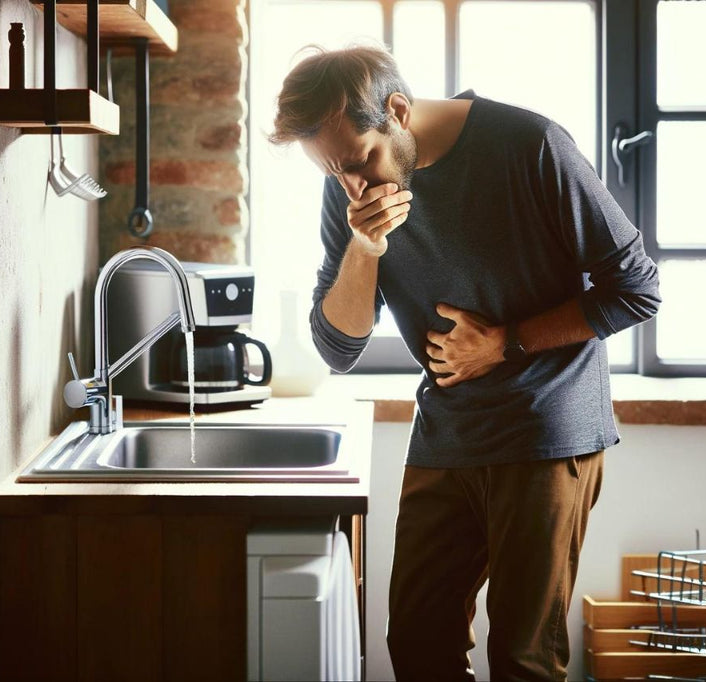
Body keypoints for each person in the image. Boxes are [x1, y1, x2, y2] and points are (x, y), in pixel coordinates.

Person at [268, 44, 661, 682]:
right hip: (447, 432)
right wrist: (365, 249)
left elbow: (637, 289)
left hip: (546, 427)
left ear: (398, 110)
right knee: (418, 645)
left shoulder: (531, 145)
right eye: (334, 172)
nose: (353, 185)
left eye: (360, 160)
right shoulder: (350, 184)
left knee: (523, 659)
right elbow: (337, 349)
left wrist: (505, 342)